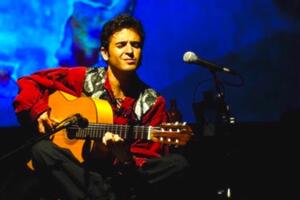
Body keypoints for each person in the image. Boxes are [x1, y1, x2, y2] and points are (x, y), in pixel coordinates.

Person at [13, 14, 190, 200]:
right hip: (81, 173)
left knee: (177, 164)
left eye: (136, 45)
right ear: (105, 53)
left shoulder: (152, 102)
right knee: (41, 150)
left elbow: (147, 163)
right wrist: (39, 111)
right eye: (121, 45)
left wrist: (124, 159)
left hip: (123, 180)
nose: (130, 51)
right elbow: (29, 82)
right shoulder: (83, 78)